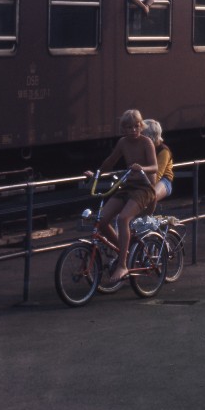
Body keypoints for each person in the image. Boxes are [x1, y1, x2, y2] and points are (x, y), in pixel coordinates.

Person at [84, 109, 158, 286]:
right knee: (101, 220)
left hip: (145, 188)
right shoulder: (122, 143)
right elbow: (110, 162)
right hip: (127, 186)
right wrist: (95, 175)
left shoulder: (146, 142)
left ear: (141, 126)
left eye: (136, 126)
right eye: (128, 127)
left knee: (123, 218)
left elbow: (155, 167)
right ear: (122, 129)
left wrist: (141, 168)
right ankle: (124, 249)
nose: (133, 130)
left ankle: (123, 264)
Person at [143, 118, 174, 201]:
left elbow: (158, 175)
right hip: (145, 178)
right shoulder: (143, 147)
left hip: (163, 180)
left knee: (151, 197)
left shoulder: (164, 151)